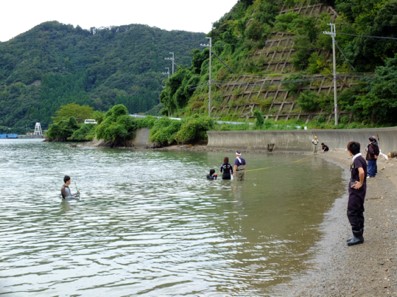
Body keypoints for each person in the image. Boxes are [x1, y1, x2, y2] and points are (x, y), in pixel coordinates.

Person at [346, 141, 367, 246]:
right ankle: (359, 235)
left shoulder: (357, 159)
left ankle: (357, 236)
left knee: (352, 211)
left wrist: (360, 183)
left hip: (357, 190)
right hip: (360, 190)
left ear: (350, 150)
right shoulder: (361, 158)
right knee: (358, 210)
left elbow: (361, 172)